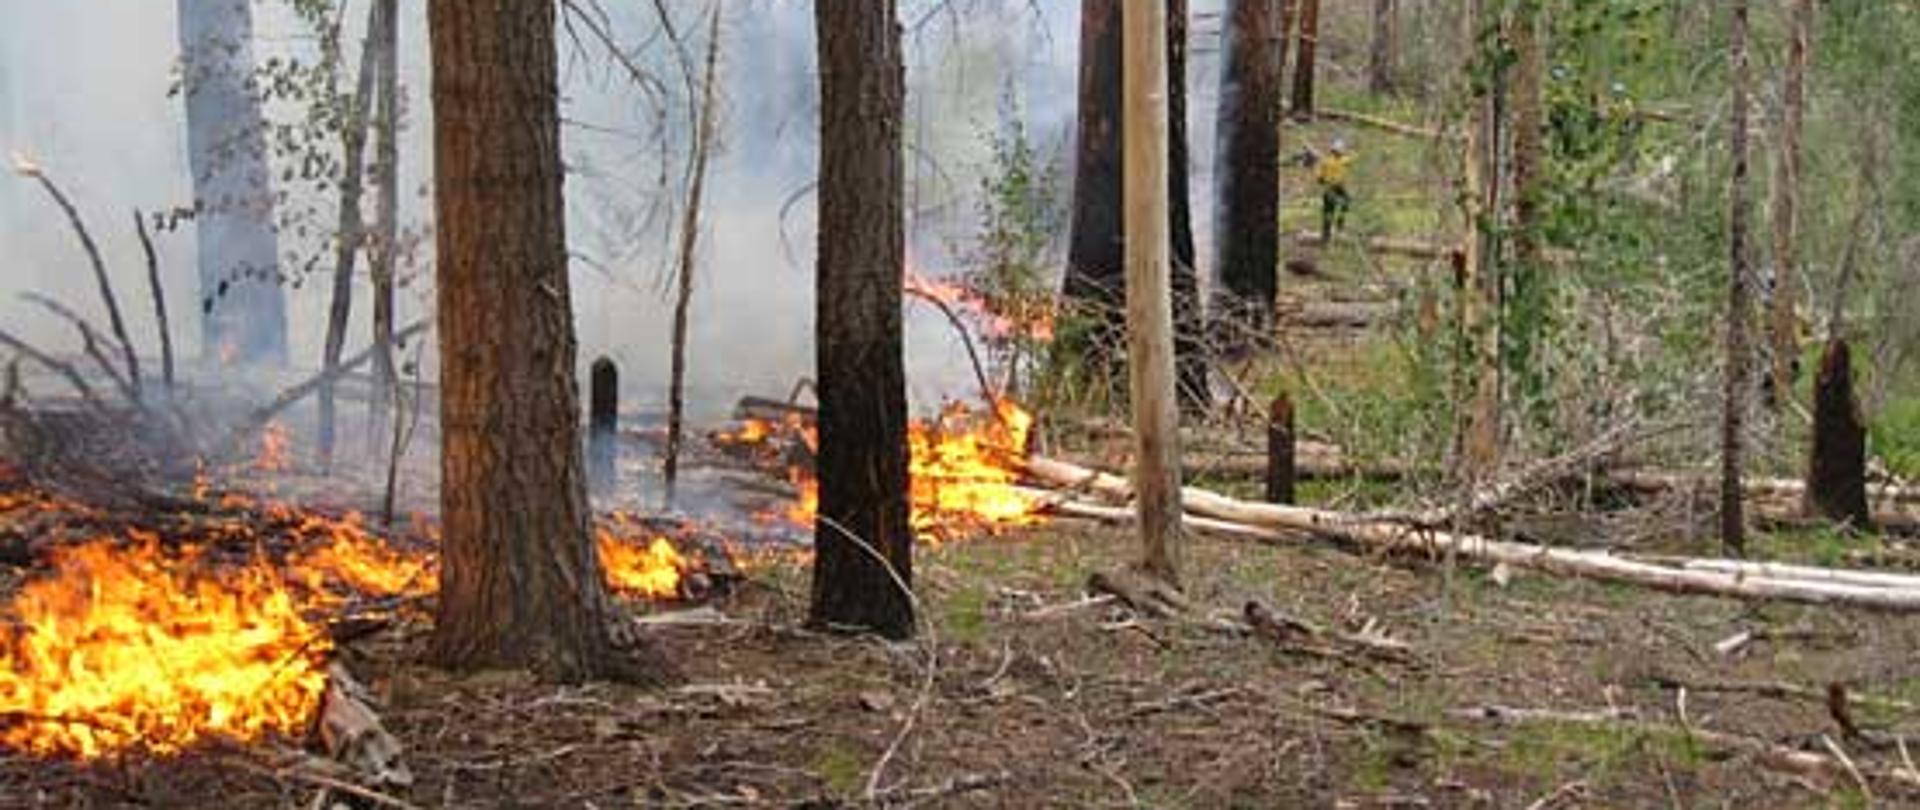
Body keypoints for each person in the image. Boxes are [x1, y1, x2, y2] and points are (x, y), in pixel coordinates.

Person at [1315, 138, 1355, 243]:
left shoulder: (1339, 160)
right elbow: (1319, 177)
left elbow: (1319, 178)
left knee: (1344, 203)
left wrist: (1322, 179)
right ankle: (1329, 234)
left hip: (1337, 187)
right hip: (1331, 188)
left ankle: (1335, 229)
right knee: (1330, 211)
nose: (1340, 152)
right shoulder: (1332, 161)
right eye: (1339, 150)